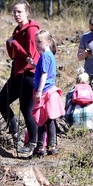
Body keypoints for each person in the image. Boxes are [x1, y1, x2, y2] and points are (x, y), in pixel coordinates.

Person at [0, 0, 40, 154]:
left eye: (19, 11)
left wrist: (14, 43)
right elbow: (13, 55)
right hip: (17, 73)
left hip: (28, 74)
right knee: (1, 101)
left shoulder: (31, 30)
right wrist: (11, 44)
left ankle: (33, 143)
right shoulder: (17, 30)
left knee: (26, 109)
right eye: (14, 11)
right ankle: (14, 131)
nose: (16, 14)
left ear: (27, 13)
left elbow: (30, 54)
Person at [30, 29, 65, 157]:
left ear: (48, 42)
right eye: (35, 42)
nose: (37, 44)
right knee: (49, 120)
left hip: (45, 92)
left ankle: (41, 147)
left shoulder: (44, 56)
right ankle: (51, 146)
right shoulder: (49, 55)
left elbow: (44, 74)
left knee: (41, 120)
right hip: (51, 90)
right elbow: (43, 70)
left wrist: (39, 91)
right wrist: (33, 65)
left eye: (39, 41)